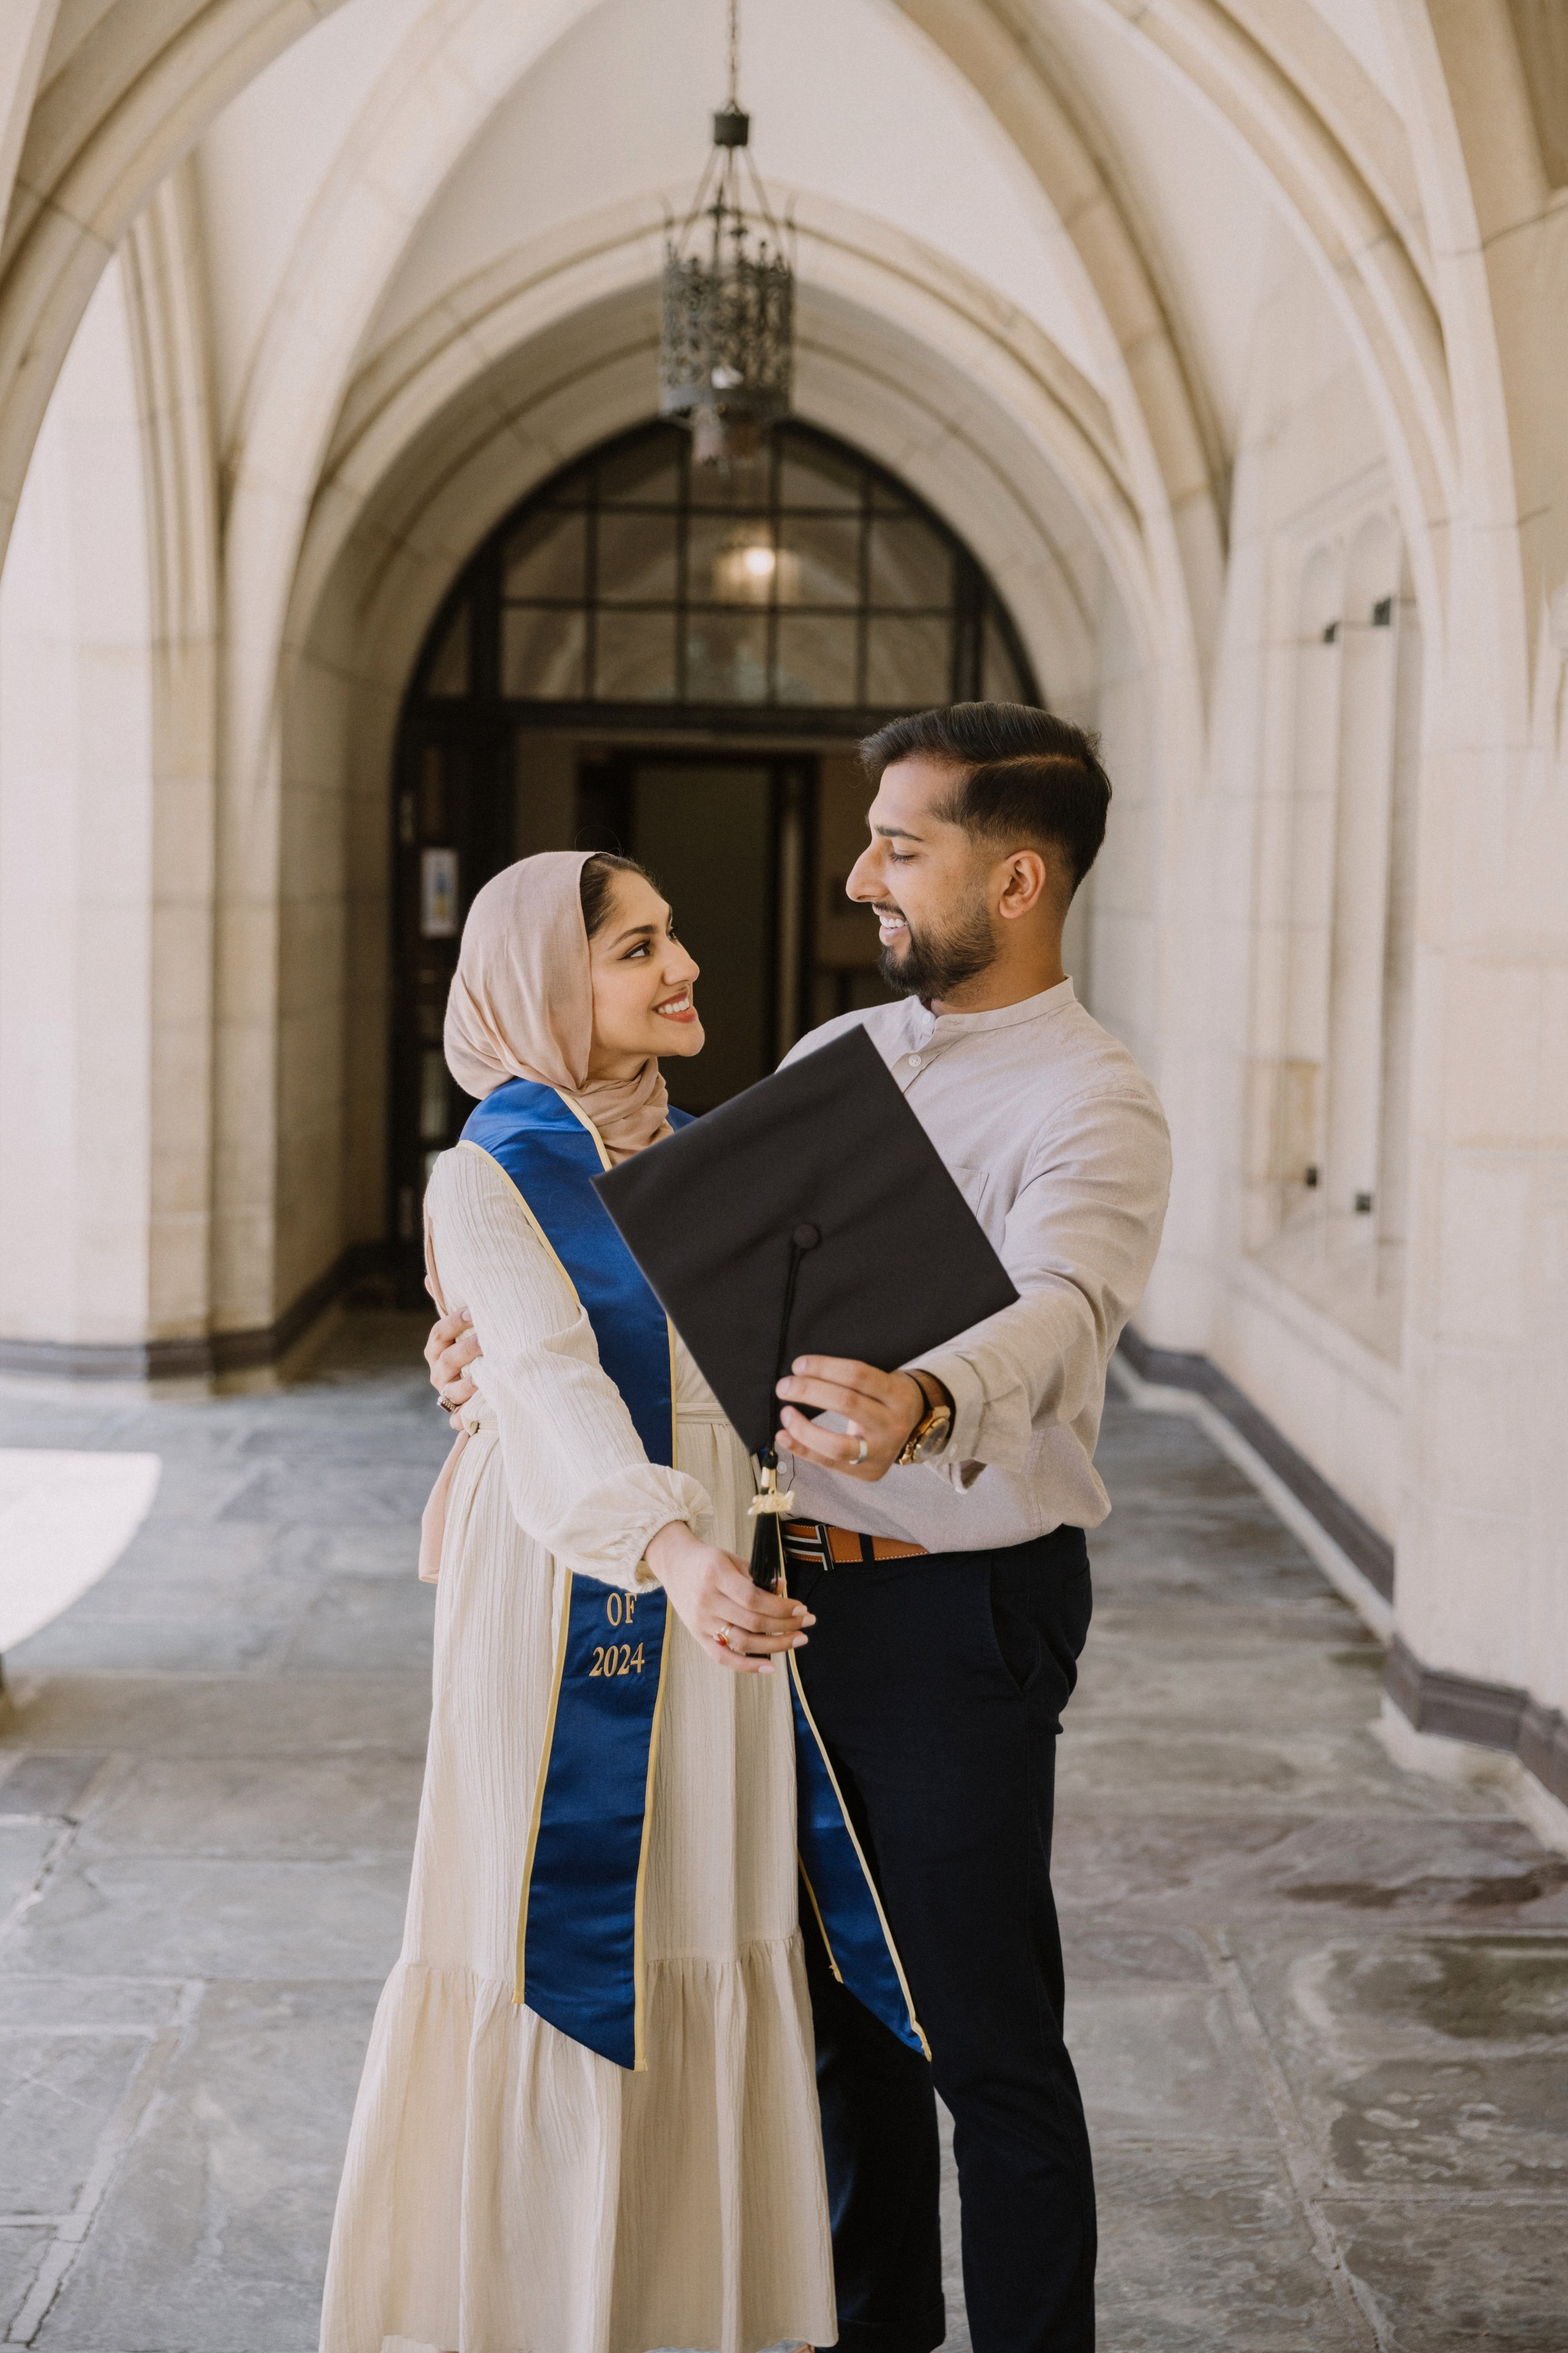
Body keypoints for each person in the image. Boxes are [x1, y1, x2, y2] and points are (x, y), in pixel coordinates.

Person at [429, 704, 1173, 2353]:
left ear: (1022, 876)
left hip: (950, 1611)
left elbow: (1065, 1308)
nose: (863, 877)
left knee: (982, 2039)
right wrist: (488, 1320)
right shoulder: (843, 1058)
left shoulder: (1097, 1101)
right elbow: (691, 1275)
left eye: (903, 847)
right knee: (839, 2033)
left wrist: (924, 1393)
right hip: (771, 1608)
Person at [321, 850, 835, 2353]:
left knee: (702, 1918)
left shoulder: (712, 1157)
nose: (681, 968)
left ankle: (683, 2307)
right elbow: (542, 1387)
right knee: (551, 1932)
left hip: (719, 1579)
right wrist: (670, 1553)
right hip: (572, 1578)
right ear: (547, 988)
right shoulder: (486, 1172)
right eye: (635, 948)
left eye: (673, 937)